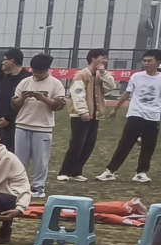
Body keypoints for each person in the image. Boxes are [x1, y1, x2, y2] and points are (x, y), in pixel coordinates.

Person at [96, 50, 160, 183]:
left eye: (149, 61)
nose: (146, 63)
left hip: (153, 117)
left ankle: (141, 173)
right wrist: (116, 108)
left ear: (158, 62)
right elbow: (127, 93)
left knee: (148, 146)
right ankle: (110, 171)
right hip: (135, 114)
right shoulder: (136, 76)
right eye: (144, 61)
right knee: (125, 144)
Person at [9, 53, 67, 196]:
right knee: (20, 160)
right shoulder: (25, 82)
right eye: (34, 71)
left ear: (47, 69)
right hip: (22, 124)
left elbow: (59, 105)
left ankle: (38, 188)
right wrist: (23, 98)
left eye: (40, 72)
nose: (37, 74)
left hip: (43, 127)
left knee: (41, 161)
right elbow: (14, 104)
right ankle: (20, 186)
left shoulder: (55, 83)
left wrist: (43, 99)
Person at [57, 49, 118, 182]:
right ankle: (65, 171)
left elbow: (110, 87)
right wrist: (83, 112)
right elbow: (78, 94)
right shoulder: (81, 75)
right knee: (77, 144)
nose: (105, 60)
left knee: (88, 145)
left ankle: (76, 171)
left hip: (95, 115)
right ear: (93, 58)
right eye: (102, 57)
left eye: (106, 58)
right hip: (80, 116)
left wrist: (104, 73)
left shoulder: (99, 75)